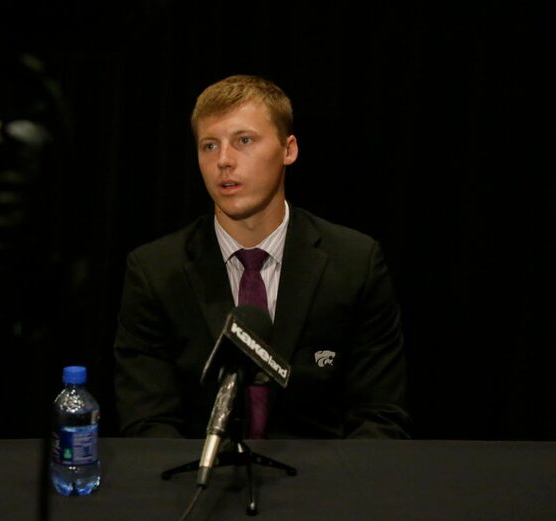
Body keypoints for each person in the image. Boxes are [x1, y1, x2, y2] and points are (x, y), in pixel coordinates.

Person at [113, 74, 411, 440]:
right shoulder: (156, 271)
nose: (224, 160)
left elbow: (379, 416)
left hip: (323, 486)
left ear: (289, 150)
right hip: (195, 484)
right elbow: (147, 423)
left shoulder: (354, 262)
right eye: (209, 146)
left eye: (244, 141)